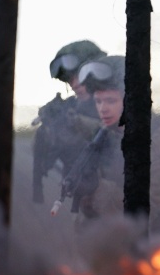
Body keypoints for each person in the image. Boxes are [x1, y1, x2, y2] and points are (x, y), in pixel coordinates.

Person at [69, 54, 160, 252]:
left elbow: (144, 210)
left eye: (110, 101)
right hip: (125, 246)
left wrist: (97, 190)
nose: (103, 109)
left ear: (132, 99)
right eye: (98, 101)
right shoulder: (107, 137)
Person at [32, 40, 107, 203]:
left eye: (80, 76)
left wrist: (77, 122)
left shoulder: (117, 102)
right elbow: (47, 156)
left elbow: (112, 137)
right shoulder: (71, 107)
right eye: (69, 79)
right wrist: (50, 128)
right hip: (86, 200)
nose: (74, 84)